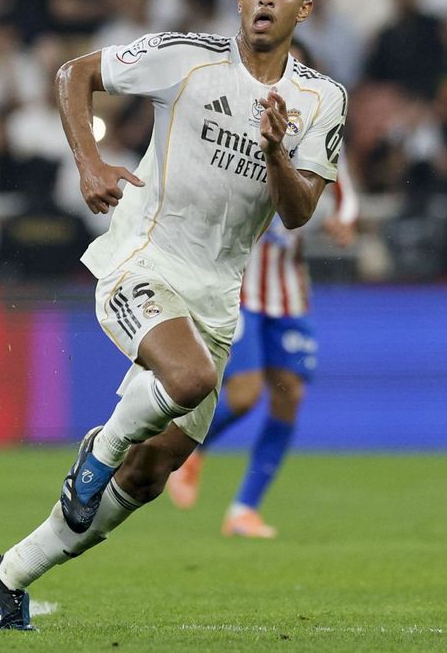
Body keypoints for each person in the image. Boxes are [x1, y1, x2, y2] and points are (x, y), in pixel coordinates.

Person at [0, 0, 347, 630]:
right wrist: (89, 162)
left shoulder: (320, 100)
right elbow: (74, 73)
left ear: (304, 7)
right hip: (142, 259)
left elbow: (299, 213)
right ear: (240, 1)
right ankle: (99, 449)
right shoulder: (186, 56)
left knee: (150, 477)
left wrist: (271, 151)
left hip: (218, 294)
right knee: (190, 379)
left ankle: (9, 572)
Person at [164, 45, 360, 536]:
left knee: (289, 394)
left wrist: (342, 221)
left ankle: (244, 509)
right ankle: (189, 451)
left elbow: (346, 197)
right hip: (244, 285)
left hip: (290, 293)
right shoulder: (238, 125)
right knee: (247, 393)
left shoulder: (320, 134)